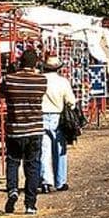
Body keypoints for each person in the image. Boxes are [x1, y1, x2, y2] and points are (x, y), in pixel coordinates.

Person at [0, 48, 47, 215]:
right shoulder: (41, 81)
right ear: (35, 64)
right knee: (32, 165)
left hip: (15, 128)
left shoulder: (10, 80)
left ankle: (12, 189)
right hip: (35, 128)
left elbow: (2, 93)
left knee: (13, 162)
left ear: (20, 62)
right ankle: (30, 204)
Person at [40, 55, 76, 193]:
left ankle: (46, 181)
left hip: (42, 116)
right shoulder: (63, 82)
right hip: (58, 117)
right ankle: (60, 181)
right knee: (60, 150)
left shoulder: (40, 80)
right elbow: (71, 101)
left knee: (44, 150)